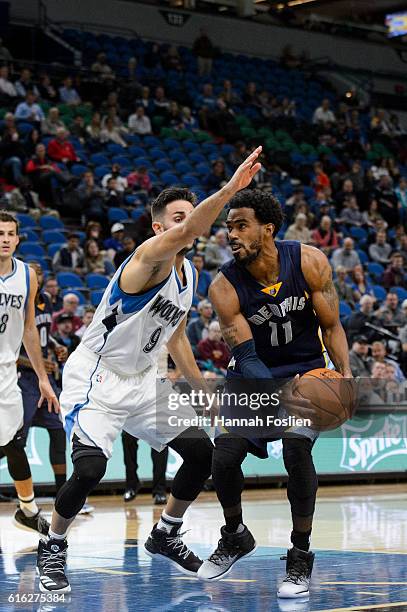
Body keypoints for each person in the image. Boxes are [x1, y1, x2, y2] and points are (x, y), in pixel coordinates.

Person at [36, 147, 262, 593]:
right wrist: (231, 189)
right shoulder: (146, 259)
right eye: (179, 217)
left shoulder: (189, 274)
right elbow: (198, 226)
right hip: (97, 377)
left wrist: (205, 397)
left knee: (202, 454)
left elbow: (176, 338)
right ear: (159, 227)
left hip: (143, 380)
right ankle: (54, 544)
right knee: (89, 470)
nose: (188, 222)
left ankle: (165, 532)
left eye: (189, 215)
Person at [198, 189, 353, 600]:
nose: (230, 234)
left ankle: (300, 554)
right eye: (228, 226)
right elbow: (246, 356)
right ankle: (234, 534)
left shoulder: (308, 260)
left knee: (295, 451)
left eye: (240, 225)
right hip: (253, 376)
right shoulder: (224, 286)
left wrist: (346, 374)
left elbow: (332, 326)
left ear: (267, 228)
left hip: (305, 372)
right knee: (224, 457)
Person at [0, 211, 59, 536]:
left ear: (18, 239)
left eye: (10, 233)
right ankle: (28, 508)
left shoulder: (26, 275)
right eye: (0, 233)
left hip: (7, 372)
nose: (5, 238)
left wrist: (42, 377)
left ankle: (27, 510)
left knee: (12, 442)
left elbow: (28, 329)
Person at [17, 263, 68, 496]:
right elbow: (10, 353)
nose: (35, 279)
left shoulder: (45, 299)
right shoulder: (16, 305)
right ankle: (23, 495)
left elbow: (45, 332)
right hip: (23, 381)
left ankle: (63, 494)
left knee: (58, 432)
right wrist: (37, 364)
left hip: (45, 380)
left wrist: (57, 346)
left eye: (39, 275)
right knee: (16, 439)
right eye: (32, 275)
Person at [121, 432, 168, 505]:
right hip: (134, 421)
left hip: (155, 422)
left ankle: (159, 491)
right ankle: (131, 485)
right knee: (127, 434)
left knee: (160, 438)